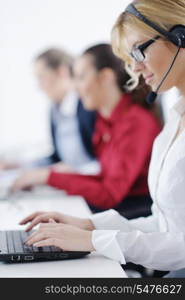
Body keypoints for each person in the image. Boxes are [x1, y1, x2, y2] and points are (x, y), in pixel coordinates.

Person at [18, 0, 185, 277]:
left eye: (138, 51)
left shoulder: (141, 123)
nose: (134, 67)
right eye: (129, 57)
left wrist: (93, 241)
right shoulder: (173, 126)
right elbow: (167, 225)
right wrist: (88, 226)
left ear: (180, 36)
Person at [11, 44, 161, 215]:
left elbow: (109, 194)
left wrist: (48, 177)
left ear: (105, 77)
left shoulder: (136, 122)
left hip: (135, 215)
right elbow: (103, 179)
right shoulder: (105, 122)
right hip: (118, 210)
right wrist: (47, 177)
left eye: (81, 77)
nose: (75, 87)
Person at [0, 48, 98, 174]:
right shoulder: (55, 111)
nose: (39, 86)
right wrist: (19, 165)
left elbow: (104, 161)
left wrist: (72, 172)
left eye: (41, 77)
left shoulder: (88, 105)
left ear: (62, 72)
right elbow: (57, 158)